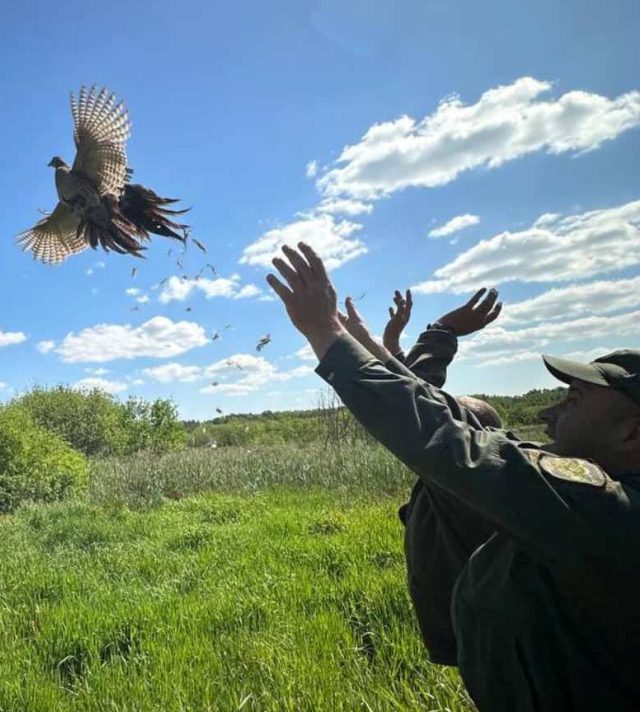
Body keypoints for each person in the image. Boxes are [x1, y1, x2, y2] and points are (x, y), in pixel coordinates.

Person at [267, 241, 640, 710]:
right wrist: (415, 337)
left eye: (575, 399)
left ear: (631, 432)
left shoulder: (605, 508)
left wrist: (325, 330)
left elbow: (445, 436)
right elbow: (440, 414)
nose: (549, 411)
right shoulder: (583, 501)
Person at [338, 289, 506, 667]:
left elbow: (412, 402)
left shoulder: (462, 481)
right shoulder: (487, 479)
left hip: (479, 635)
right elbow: (415, 395)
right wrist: (390, 343)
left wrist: (441, 331)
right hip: (472, 629)